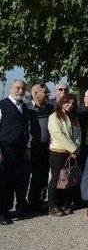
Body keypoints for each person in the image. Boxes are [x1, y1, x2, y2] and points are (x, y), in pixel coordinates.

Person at [0, 79, 32, 223]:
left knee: (18, 180)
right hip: (6, 148)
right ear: (11, 89)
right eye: (17, 88)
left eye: (23, 89)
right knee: (4, 181)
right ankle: (2, 213)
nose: (20, 91)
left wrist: (27, 147)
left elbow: (27, 129)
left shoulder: (24, 107)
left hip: (21, 149)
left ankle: (15, 209)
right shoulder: (2, 105)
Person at [47, 93, 80, 217]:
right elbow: (58, 135)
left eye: (72, 103)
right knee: (56, 179)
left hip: (71, 153)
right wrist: (73, 149)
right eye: (68, 102)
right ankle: (52, 206)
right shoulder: (54, 117)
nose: (70, 105)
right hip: (57, 152)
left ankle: (64, 203)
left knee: (67, 178)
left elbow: (78, 135)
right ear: (62, 102)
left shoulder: (73, 117)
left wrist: (76, 149)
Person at [27, 83, 53, 213]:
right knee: (27, 176)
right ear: (35, 93)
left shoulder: (48, 108)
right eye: (45, 92)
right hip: (30, 147)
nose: (48, 94)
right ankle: (28, 202)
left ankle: (39, 200)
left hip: (45, 147)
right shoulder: (27, 108)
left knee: (42, 175)